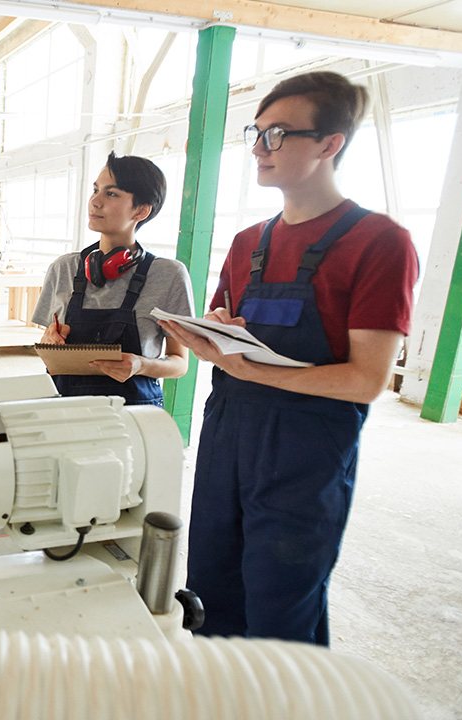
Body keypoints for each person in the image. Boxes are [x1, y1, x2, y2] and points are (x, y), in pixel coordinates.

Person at [159, 71, 419, 645]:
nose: (258, 148)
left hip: (304, 449)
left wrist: (253, 368)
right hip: (228, 433)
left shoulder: (380, 243)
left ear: (331, 143)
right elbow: (222, 325)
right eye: (256, 132)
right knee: (211, 591)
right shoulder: (249, 242)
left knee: (282, 604)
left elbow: (365, 380)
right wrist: (214, 335)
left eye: (277, 135)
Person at [31, 153, 193, 406]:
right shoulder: (64, 268)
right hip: (64, 407)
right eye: (95, 190)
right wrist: (50, 341)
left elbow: (180, 363)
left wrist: (140, 365)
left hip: (134, 412)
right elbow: (45, 343)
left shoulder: (168, 275)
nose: (95, 201)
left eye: (111, 194)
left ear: (141, 210)